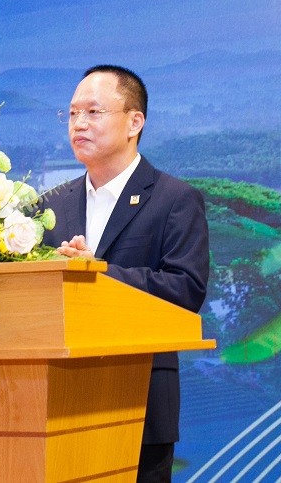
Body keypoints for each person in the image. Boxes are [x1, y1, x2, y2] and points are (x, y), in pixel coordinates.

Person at [41, 65, 210, 483]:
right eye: (72, 113)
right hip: (55, 406)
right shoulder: (50, 206)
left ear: (135, 122)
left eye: (93, 112)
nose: (79, 123)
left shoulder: (175, 199)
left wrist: (98, 273)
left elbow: (186, 290)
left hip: (140, 404)